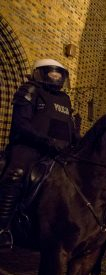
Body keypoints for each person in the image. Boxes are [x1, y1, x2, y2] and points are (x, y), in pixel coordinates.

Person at [0, 59, 78, 248]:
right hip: (30, 146)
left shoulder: (65, 99)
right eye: (51, 73)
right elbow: (22, 124)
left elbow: (69, 127)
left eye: (59, 74)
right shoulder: (30, 90)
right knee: (16, 173)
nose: (56, 77)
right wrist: (46, 141)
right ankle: (2, 227)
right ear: (39, 73)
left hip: (60, 150)